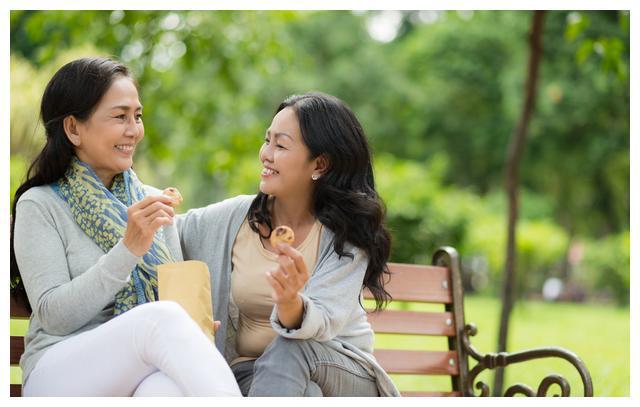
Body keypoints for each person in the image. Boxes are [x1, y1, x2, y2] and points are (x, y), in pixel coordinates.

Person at [9, 57, 241, 397]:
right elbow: (55, 316)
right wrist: (128, 249)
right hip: (57, 371)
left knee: (165, 389)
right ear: (73, 128)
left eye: (138, 115)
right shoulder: (40, 205)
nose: (134, 130)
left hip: (137, 368)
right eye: (120, 116)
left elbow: (173, 301)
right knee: (160, 319)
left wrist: (193, 326)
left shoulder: (151, 201)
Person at [177, 92, 400, 396]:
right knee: (304, 393)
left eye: (280, 145)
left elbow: (321, 325)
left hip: (342, 370)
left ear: (319, 164)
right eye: (267, 140)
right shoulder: (234, 219)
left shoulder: (346, 234)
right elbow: (166, 229)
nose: (265, 154)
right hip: (253, 373)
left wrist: (290, 302)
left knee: (290, 349)